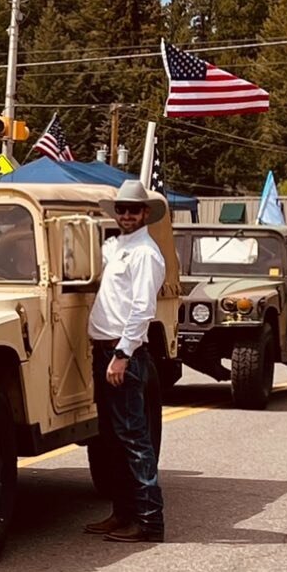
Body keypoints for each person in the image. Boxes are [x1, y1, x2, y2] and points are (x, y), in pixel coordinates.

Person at [86, 179, 167, 544]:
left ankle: (149, 521)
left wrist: (122, 353)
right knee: (113, 440)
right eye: (121, 209)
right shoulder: (117, 247)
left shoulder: (146, 254)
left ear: (145, 213)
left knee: (134, 439)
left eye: (133, 210)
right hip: (106, 349)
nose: (127, 215)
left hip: (123, 353)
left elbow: (142, 309)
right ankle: (123, 514)